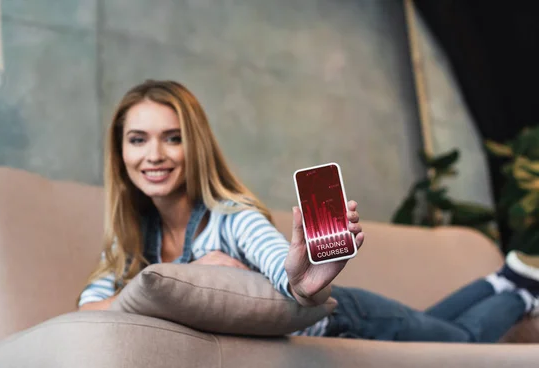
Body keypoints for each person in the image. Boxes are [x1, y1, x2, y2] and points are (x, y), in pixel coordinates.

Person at [78, 79, 539, 342]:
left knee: (460, 342)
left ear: (193, 145)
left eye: (172, 137)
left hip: (345, 318)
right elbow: (88, 310)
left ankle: (519, 295)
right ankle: (498, 281)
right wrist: (178, 277)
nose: (153, 154)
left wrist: (301, 281)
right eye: (137, 139)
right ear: (120, 152)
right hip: (341, 316)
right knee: (437, 323)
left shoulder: (230, 216)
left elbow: (284, 270)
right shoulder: (134, 233)